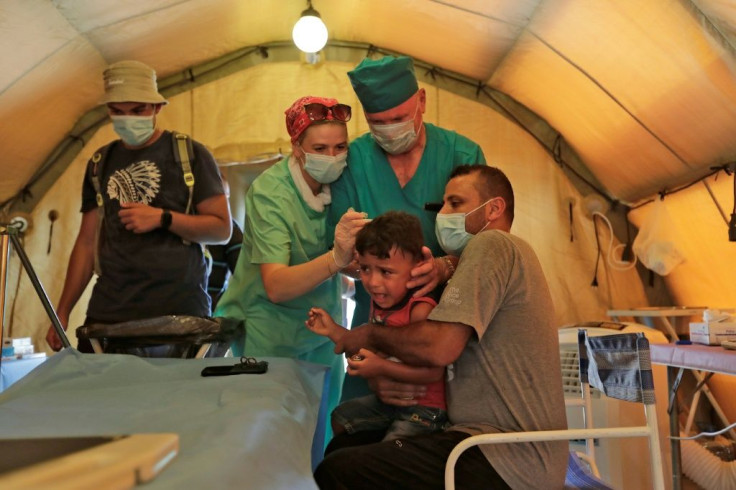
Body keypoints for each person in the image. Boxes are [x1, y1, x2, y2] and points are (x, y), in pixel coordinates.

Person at [314, 165, 568, 489]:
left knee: (339, 470)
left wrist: (367, 334)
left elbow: (440, 348)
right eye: (443, 206)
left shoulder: (493, 244)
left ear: (494, 208)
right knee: (345, 444)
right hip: (476, 443)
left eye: (455, 203)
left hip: (506, 458)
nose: (443, 214)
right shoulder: (490, 259)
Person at [329, 55, 487, 398]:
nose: (389, 129)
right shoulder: (352, 163)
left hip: (446, 320)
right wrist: (370, 271)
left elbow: (489, 251)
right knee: (357, 428)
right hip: (376, 320)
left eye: (399, 118)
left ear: (422, 102)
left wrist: (446, 267)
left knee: (441, 427)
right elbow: (344, 254)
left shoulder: (462, 155)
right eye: (377, 122)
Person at [46, 60, 231, 352]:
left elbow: (222, 229)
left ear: (157, 107)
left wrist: (163, 218)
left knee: (173, 398)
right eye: (117, 112)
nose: (127, 119)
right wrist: (63, 310)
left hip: (180, 312)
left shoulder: (190, 154)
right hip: (110, 315)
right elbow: (85, 242)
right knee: (107, 398)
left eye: (137, 110)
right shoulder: (99, 162)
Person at [214, 96, 369, 424]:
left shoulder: (339, 184)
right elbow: (276, 286)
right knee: (270, 433)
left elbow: (346, 259)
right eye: (320, 148)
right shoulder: (271, 193)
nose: (333, 157)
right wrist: (336, 259)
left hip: (323, 331)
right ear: (296, 147)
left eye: (341, 147)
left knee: (321, 431)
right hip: (271, 336)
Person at [306, 211, 447, 442]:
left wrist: (380, 367)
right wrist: (333, 330)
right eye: (365, 269)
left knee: (389, 451)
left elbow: (433, 371)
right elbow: (368, 348)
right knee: (342, 417)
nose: (372, 282)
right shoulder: (380, 301)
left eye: (386, 271)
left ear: (418, 266)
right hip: (390, 404)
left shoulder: (420, 308)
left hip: (424, 410)